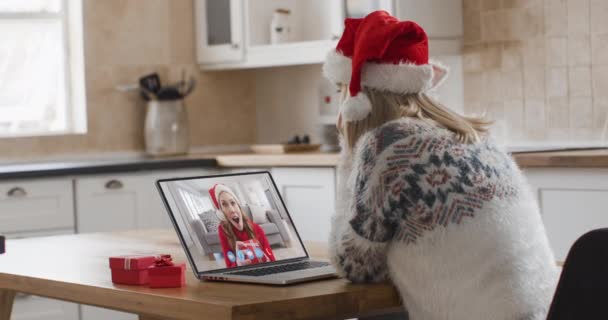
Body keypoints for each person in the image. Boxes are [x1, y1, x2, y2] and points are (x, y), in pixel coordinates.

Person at [325, 11, 558, 320]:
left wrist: (348, 158)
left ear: (356, 101)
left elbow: (355, 266)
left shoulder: (387, 148)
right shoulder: (475, 136)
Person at [209, 184, 276, 268]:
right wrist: (237, 264)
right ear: (222, 212)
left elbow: (270, 255)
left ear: (238, 206)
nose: (232, 210)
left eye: (233, 203)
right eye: (224, 205)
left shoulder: (257, 228)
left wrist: (268, 259)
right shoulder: (223, 230)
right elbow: (229, 264)